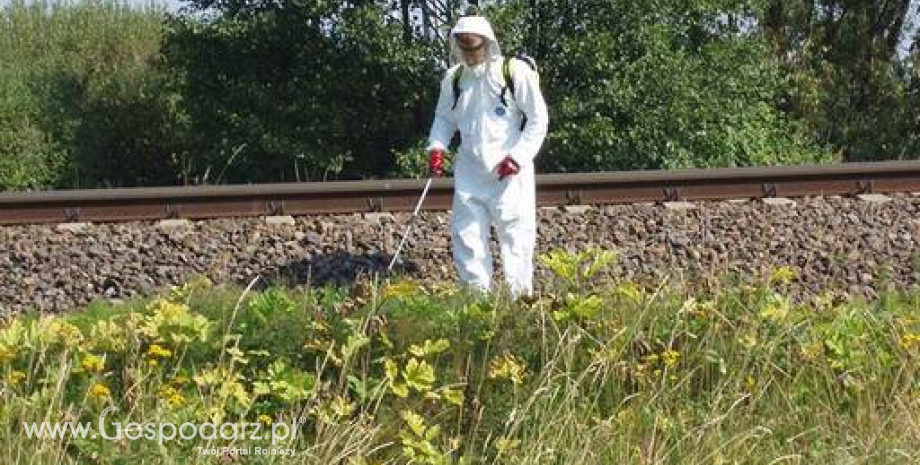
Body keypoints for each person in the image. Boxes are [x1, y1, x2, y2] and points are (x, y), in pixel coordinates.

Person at [426, 12, 549, 298]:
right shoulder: (454, 79)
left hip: (509, 173)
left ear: (488, 43)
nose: (470, 54)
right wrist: (437, 147)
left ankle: (520, 302)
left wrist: (517, 158)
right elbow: (444, 119)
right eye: (464, 48)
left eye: (475, 47)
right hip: (469, 172)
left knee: (516, 238)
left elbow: (538, 119)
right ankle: (477, 303)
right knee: (467, 237)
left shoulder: (514, 72)